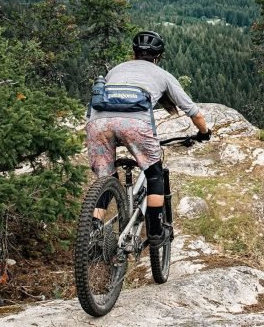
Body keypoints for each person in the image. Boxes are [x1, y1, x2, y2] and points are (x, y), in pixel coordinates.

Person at [86, 30, 211, 247]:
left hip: (98, 124)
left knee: (105, 176)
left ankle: (92, 233)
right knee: (154, 174)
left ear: (133, 53)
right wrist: (204, 133)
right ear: (158, 56)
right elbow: (194, 112)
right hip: (136, 125)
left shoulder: (116, 69)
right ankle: (155, 231)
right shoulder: (162, 74)